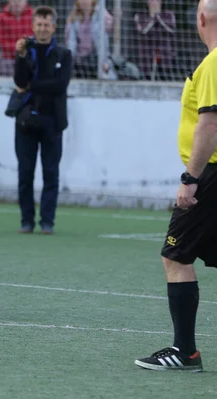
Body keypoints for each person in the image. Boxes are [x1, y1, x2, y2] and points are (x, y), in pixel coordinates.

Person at [133, 0, 217, 373]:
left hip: (211, 176)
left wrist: (191, 179)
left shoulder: (214, 61)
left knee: (175, 256)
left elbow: (211, 124)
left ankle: (185, 352)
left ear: (201, 19)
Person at [13, 6, 72, 235]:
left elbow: (59, 86)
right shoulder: (26, 51)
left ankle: (47, 221)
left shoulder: (63, 54)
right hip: (25, 121)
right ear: (33, 26)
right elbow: (18, 80)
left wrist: (31, 86)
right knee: (25, 172)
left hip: (52, 122)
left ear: (53, 27)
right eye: (38, 24)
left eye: (46, 24)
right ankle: (26, 221)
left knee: (51, 173)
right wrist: (20, 57)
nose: (42, 28)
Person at [64, 0, 113, 79]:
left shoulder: (100, 14)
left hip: (98, 58)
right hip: (80, 60)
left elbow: (110, 29)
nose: (84, 1)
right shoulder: (73, 17)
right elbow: (71, 43)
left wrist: (104, 61)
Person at [134, 0, 176, 80]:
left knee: (165, 77)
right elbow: (143, 31)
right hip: (147, 53)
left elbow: (171, 30)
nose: (154, 2)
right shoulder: (140, 16)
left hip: (164, 53)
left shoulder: (169, 15)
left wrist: (158, 16)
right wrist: (153, 18)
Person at [0, 0, 34, 77]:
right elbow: (0, 41)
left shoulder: (32, 16)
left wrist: (23, 48)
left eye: (20, 0)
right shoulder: (2, 17)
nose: (17, 2)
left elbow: (33, 37)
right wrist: (18, 47)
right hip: (8, 59)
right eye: (14, 0)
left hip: (28, 56)